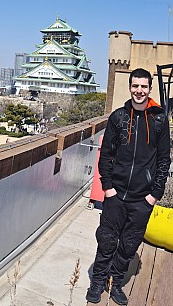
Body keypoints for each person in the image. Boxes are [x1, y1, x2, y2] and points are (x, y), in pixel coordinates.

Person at [87, 68, 170, 305]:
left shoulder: (159, 120)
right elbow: (106, 155)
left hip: (142, 199)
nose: (139, 91)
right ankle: (97, 281)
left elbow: (164, 159)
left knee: (129, 244)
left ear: (150, 89)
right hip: (116, 195)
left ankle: (115, 283)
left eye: (143, 86)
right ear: (130, 87)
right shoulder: (119, 117)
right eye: (135, 86)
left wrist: (155, 195)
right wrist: (108, 188)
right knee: (106, 240)